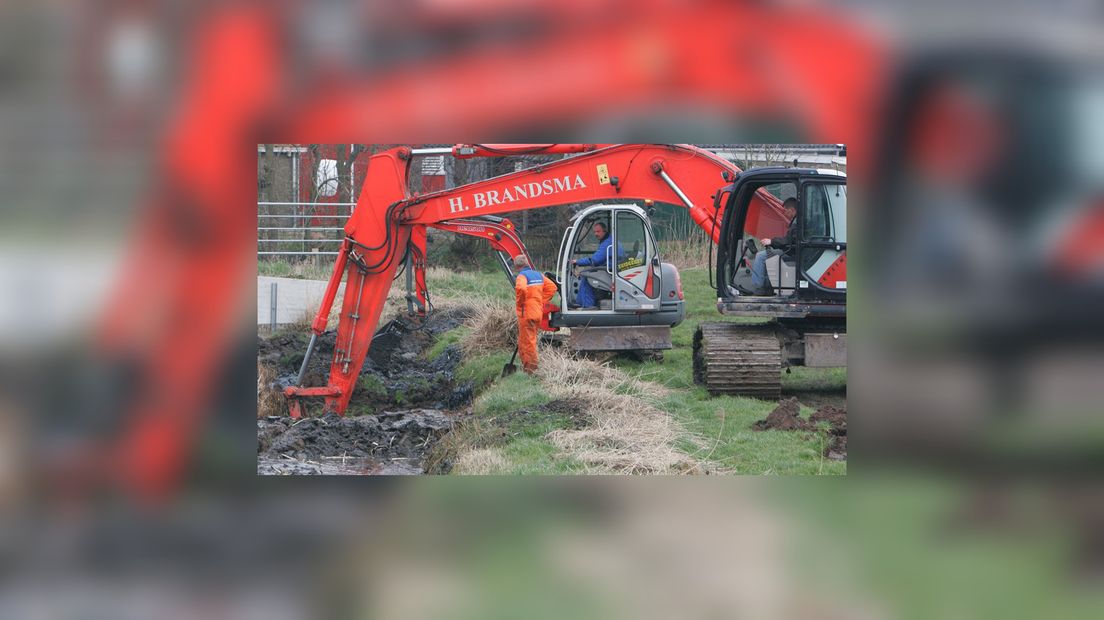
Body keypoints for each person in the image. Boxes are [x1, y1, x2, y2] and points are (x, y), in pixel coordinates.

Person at [513, 255, 557, 374]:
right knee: (525, 340)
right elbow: (552, 287)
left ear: (517, 267)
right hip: (537, 312)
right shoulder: (538, 275)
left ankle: (531, 371)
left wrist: (521, 302)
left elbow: (521, 289)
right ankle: (525, 365)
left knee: (528, 342)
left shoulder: (521, 277)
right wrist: (540, 302)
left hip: (526, 314)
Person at [750, 197, 799, 294]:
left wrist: (771, 241)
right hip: (793, 250)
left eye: (786, 210)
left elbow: (787, 241)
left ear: (792, 210)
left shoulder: (797, 223)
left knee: (760, 256)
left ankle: (757, 288)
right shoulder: (797, 221)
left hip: (792, 253)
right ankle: (766, 284)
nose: (784, 213)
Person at [569, 221, 614, 308]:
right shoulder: (609, 240)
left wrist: (578, 262)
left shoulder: (607, 243)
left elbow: (595, 260)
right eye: (594, 232)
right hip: (608, 269)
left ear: (604, 231)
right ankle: (581, 303)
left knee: (586, 277)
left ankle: (587, 306)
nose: (596, 234)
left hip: (608, 272)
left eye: (598, 231)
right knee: (587, 272)